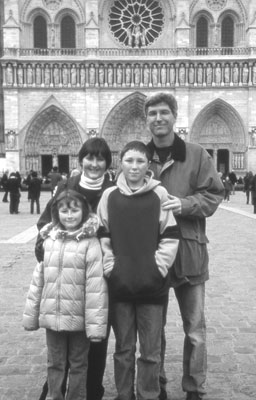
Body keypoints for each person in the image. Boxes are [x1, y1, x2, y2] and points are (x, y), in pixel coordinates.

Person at [144, 92, 224, 400]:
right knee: (153, 330)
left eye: (164, 112)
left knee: (194, 329)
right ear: (146, 119)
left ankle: (194, 388)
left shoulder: (197, 153)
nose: (158, 118)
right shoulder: (139, 155)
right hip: (152, 257)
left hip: (190, 251)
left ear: (175, 116)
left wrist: (185, 204)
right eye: (152, 113)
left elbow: (214, 194)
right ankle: (157, 384)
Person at [97, 140, 179, 400]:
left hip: (153, 286)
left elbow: (170, 235)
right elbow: (103, 235)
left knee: (151, 352)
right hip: (120, 285)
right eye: (129, 160)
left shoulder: (160, 194)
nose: (134, 166)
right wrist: (111, 267)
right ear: (120, 162)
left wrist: (158, 268)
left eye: (140, 161)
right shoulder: (109, 196)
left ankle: (149, 395)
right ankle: (124, 396)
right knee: (123, 349)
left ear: (148, 165)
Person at [35, 137, 114, 400]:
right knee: (60, 344)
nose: (94, 163)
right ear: (80, 160)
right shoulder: (65, 186)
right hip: (66, 279)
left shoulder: (113, 191)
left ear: (107, 163)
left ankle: (91, 392)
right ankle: (54, 390)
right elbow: (47, 222)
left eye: (100, 158)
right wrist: (43, 249)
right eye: (89, 158)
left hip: (98, 281)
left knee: (96, 341)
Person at [23, 189, 108, 400]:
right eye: (64, 211)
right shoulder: (49, 240)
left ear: (84, 212)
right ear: (56, 213)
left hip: (79, 318)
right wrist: (31, 315)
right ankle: (54, 396)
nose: (69, 215)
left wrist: (96, 324)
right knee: (54, 363)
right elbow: (38, 281)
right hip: (53, 315)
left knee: (79, 364)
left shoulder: (91, 243)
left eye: (74, 210)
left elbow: (96, 285)